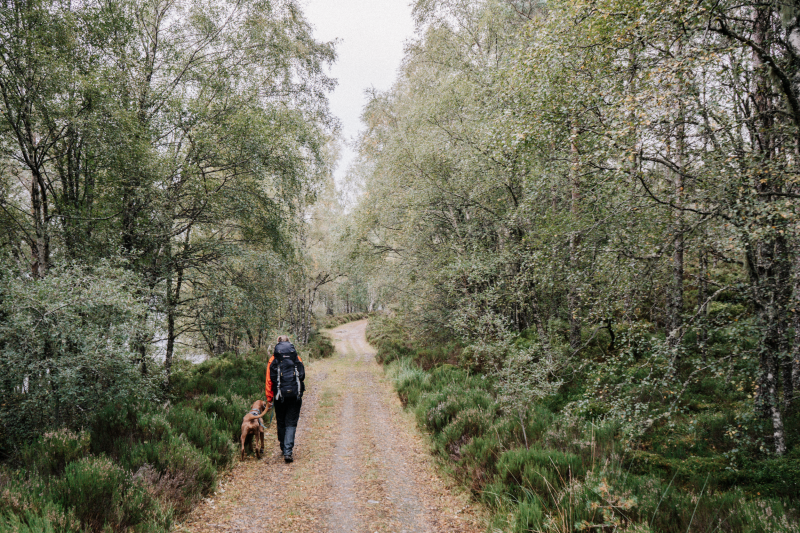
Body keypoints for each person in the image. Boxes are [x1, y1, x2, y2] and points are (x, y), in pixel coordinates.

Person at [265, 335, 305, 462]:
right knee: (291, 422)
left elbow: (269, 381)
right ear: (290, 344)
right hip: (294, 395)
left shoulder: (273, 359)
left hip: (279, 396)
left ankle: (283, 447)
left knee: (281, 421)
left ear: (278, 344)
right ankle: (288, 452)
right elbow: (302, 376)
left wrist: (269, 398)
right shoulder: (296, 358)